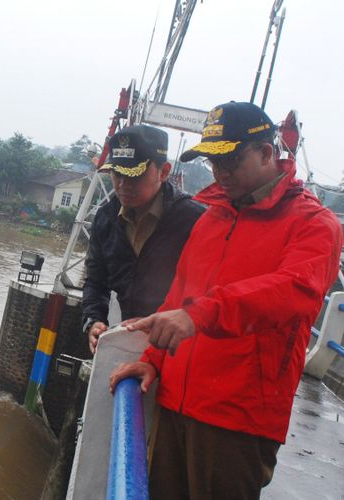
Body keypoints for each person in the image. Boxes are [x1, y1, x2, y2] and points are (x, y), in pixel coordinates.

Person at [109, 101, 343, 499]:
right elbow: (179, 297)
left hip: (237, 418)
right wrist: (152, 361)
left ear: (267, 153)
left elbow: (293, 293)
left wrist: (200, 314)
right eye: (213, 162)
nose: (220, 173)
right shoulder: (212, 218)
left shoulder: (313, 224)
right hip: (175, 402)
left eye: (230, 160)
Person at [81, 124, 204, 354]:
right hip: (130, 341)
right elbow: (95, 281)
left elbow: (206, 294)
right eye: (117, 174)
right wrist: (93, 319)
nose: (123, 185)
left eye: (134, 175)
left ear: (164, 171)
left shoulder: (193, 221)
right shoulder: (106, 219)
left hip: (179, 347)